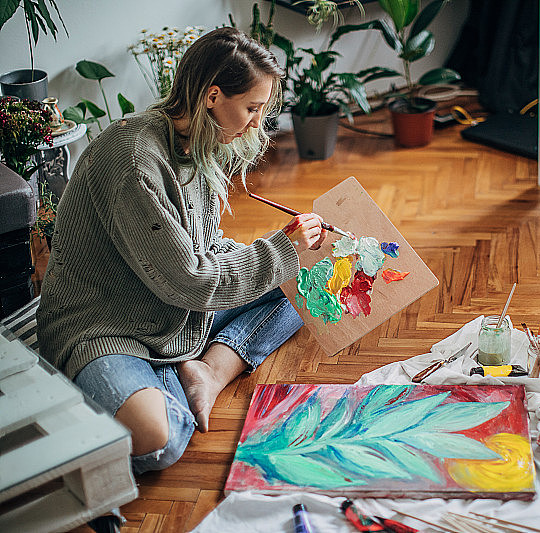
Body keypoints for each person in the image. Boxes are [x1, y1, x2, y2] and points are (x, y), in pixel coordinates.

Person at [36, 27, 326, 480]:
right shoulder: (133, 158)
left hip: (175, 308)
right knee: (162, 440)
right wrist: (279, 250)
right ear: (213, 96)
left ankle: (208, 371)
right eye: (251, 109)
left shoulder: (198, 145)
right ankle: (173, 375)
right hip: (106, 324)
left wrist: (289, 250)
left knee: (308, 280)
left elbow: (203, 251)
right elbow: (190, 279)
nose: (256, 124)